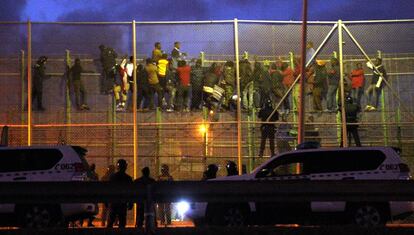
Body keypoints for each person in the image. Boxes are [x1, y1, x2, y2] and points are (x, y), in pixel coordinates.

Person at [107, 159, 133, 228]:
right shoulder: (128, 178)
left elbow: (108, 190)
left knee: (111, 221)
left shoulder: (112, 177)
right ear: (125, 167)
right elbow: (130, 191)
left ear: (117, 167)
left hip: (114, 201)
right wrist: (131, 203)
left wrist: (107, 201)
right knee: (122, 221)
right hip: (122, 202)